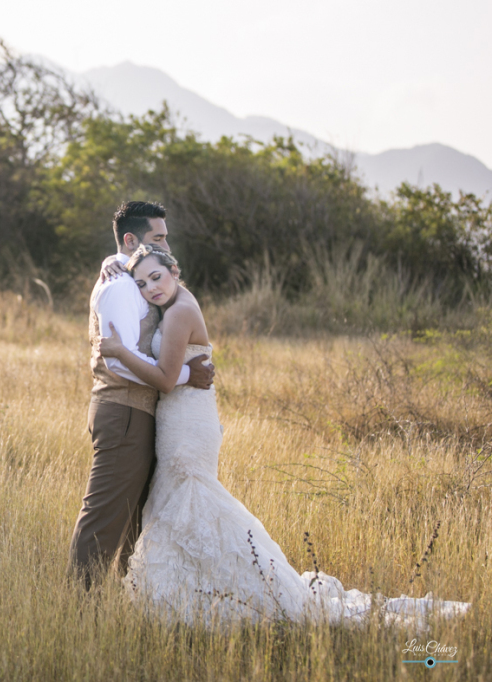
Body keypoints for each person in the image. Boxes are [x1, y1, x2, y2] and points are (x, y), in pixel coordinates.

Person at [96, 244, 470, 627]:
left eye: (156, 277)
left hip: (186, 423)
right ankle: (197, 590)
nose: (150, 289)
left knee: (191, 498)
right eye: (141, 284)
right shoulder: (178, 302)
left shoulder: (178, 312)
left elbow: (166, 379)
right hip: (188, 417)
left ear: (174, 270)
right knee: (184, 501)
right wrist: (113, 263)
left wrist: (120, 352)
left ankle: (236, 593)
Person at [69, 201, 214, 589]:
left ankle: (128, 593)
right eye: (158, 237)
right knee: (104, 516)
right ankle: (80, 604)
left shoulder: (133, 276)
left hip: (141, 412)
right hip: (123, 411)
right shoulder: (118, 285)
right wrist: (184, 374)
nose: (166, 245)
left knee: (137, 516)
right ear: (132, 240)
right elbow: (116, 359)